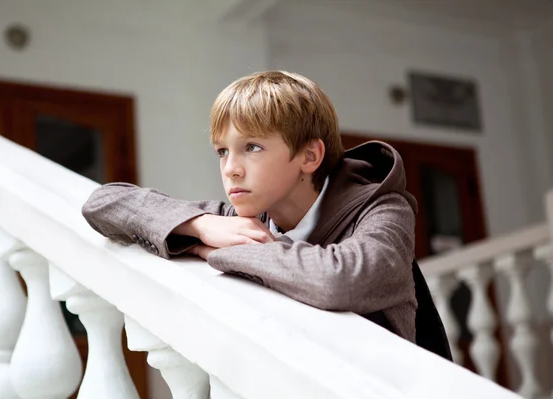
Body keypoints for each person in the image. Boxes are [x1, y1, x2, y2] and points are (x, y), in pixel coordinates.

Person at [82, 71, 450, 356]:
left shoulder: (382, 209)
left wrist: (218, 251)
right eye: (222, 151)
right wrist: (200, 225)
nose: (231, 169)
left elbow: (339, 281)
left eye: (252, 147)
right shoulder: (234, 219)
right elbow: (103, 203)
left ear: (310, 156)